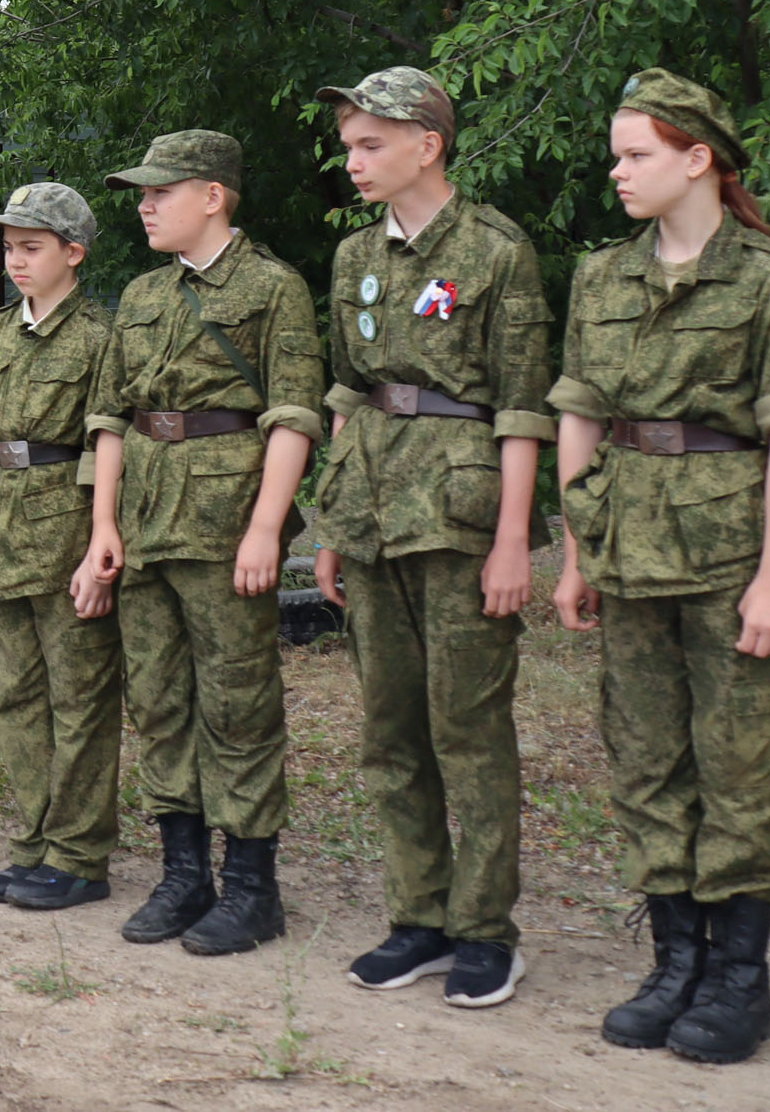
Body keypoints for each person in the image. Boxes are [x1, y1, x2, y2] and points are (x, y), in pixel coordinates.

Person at [552, 70, 770, 1065]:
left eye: (635, 154)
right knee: (644, 763)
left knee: (741, 767)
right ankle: (673, 963)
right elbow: (580, 413)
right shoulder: (601, 277)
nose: (617, 171)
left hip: (727, 557)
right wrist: (576, 547)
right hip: (626, 550)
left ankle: (737, 980)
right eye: (617, 154)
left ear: (695, 158)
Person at [308, 68, 554, 1009]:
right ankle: (419, 915)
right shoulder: (353, 255)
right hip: (370, 506)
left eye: (371, 143)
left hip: (456, 514)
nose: (354, 159)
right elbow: (345, 392)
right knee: (390, 729)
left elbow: (523, 405)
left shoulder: (496, 250)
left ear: (428, 144)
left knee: (468, 727)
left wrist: (512, 541)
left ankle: (487, 929)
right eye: (350, 144)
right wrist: (330, 520)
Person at [75, 130, 324, 955]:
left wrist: (265, 527)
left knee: (238, 703)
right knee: (158, 699)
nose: (144, 205)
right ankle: (184, 874)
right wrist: (104, 524)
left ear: (213, 195)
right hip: (143, 521)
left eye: (161, 191)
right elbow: (109, 417)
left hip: (223, 525)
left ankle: (253, 884)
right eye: (140, 192)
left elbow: (292, 414)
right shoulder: (142, 293)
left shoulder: (272, 287)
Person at [0, 181, 122, 910]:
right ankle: (34, 840)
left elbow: (103, 442)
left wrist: (98, 543)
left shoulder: (98, 337)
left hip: (65, 530)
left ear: (74, 253)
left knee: (80, 696)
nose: (13, 259)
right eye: (8, 245)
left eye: (31, 246)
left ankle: (80, 854)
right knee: (18, 697)